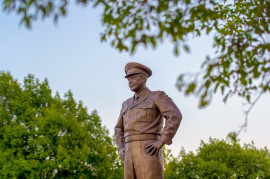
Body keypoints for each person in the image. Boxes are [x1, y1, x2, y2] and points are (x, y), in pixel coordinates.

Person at [115, 62, 182, 179]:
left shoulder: (157, 96)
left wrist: (162, 140)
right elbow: (118, 128)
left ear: (143, 79)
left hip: (148, 150)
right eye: (128, 79)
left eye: (133, 78)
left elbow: (175, 115)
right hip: (128, 153)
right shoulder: (125, 104)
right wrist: (120, 146)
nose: (129, 82)